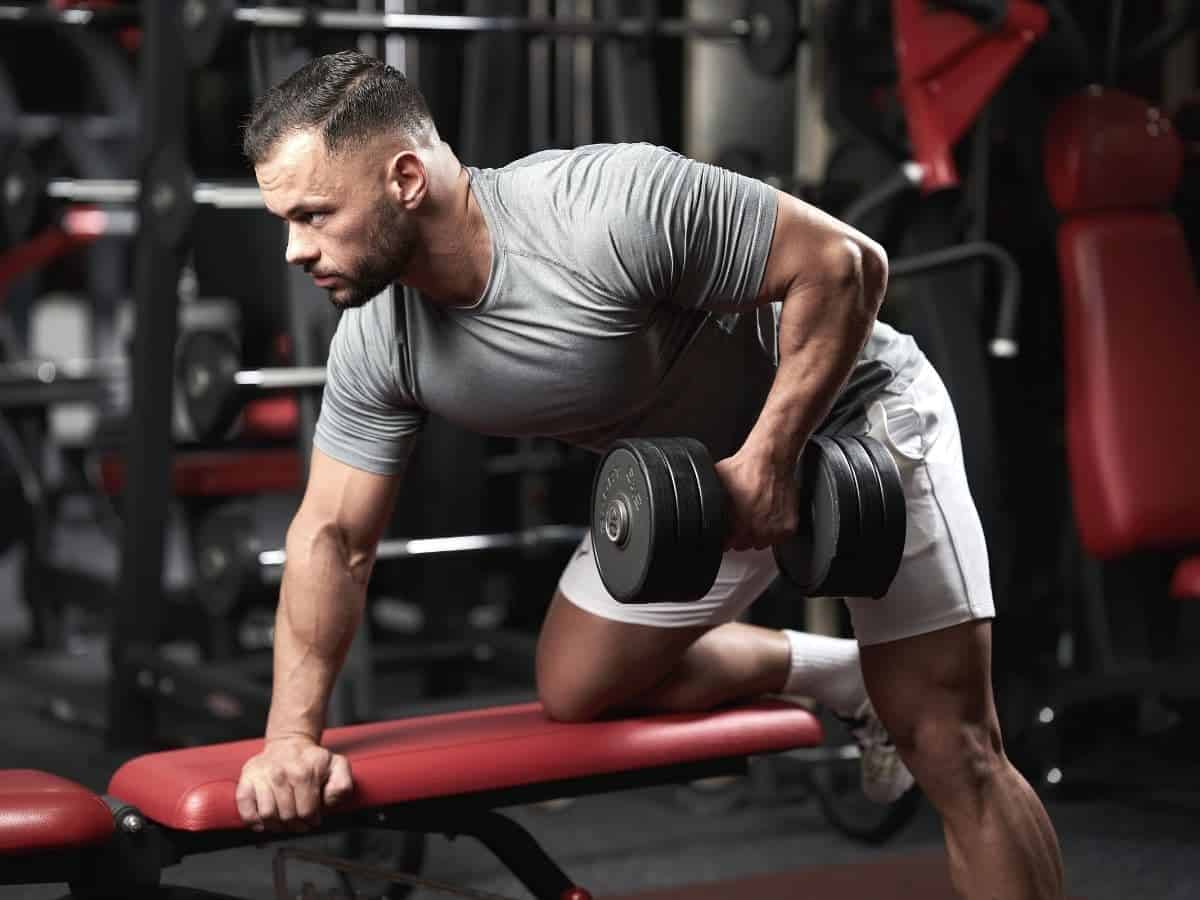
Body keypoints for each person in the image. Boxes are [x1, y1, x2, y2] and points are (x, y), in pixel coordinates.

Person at [234, 51, 1064, 899]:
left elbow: (848, 265)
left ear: (406, 178)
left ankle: (903, 698)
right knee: (578, 685)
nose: (296, 250)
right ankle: (846, 678)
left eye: (314, 215)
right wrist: (291, 737)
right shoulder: (380, 341)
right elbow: (332, 537)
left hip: (849, 418)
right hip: (698, 489)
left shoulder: (605, 207)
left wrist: (771, 459)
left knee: (952, 746)